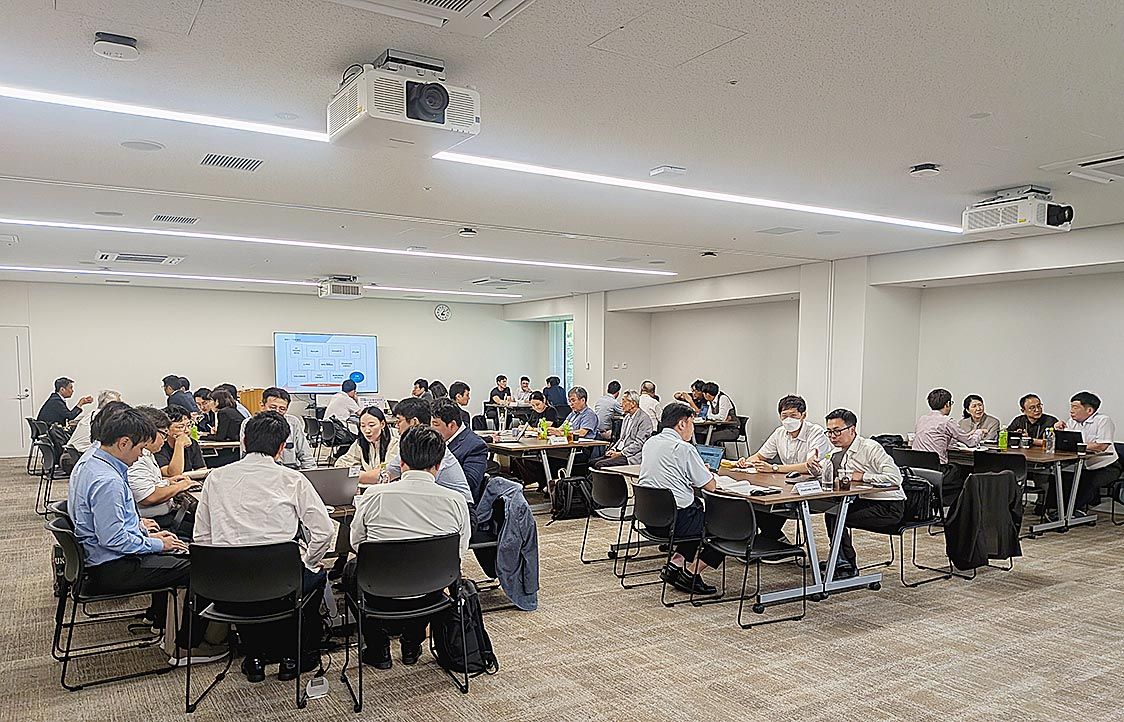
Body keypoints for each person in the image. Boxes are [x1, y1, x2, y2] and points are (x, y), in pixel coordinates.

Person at [67, 405, 226, 666]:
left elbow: (107, 521)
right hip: (112, 566)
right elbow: (114, 540)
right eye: (140, 448)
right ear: (123, 443)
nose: (142, 455)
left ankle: (163, 623)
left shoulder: (92, 461)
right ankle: (188, 647)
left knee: (179, 547)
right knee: (200, 567)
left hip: (98, 558)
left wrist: (139, 526)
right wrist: (156, 544)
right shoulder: (108, 481)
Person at [195, 411, 333, 682]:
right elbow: (324, 531)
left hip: (227, 585)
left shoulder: (215, 478)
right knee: (314, 576)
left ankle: (255, 657)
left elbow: (202, 537)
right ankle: (293, 657)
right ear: (281, 448)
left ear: (244, 442)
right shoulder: (292, 479)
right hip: (281, 582)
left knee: (254, 587)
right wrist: (308, 561)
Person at [347, 426, 470, 669]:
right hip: (431, 590)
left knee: (351, 570)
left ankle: (378, 649)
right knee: (430, 571)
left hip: (380, 590)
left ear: (401, 462)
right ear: (438, 465)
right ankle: (412, 644)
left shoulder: (374, 495)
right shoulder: (456, 501)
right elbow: (459, 552)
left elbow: (356, 543)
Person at [636, 403, 723, 595]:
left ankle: (675, 565)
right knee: (724, 526)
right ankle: (691, 574)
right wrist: (705, 472)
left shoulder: (650, 443)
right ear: (682, 424)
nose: (693, 429)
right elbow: (710, 486)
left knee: (696, 511)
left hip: (651, 518)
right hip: (676, 522)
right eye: (692, 423)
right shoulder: (683, 448)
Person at [807, 409, 904, 580]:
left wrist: (863, 476)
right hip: (863, 500)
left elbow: (895, 478)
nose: (832, 436)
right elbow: (826, 473)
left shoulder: (870, 448)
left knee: (838, 516)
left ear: (852, 429)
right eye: (829, 432)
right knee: (833, 512)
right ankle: (840, 560)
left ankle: (846, 565)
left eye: (837, 431)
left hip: (888, 505)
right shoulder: (836, 452)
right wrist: (815, 469)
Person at [384, 398, 474, 514]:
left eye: (399, 421)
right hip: (435, 502)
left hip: (457, 507)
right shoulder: (413, 443)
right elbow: (390, 471)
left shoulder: (431, 445)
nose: (396, 426)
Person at [127, 407, 197, 537]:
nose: (165, 439)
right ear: (150, 432)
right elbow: (148, 497)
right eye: (164, 434)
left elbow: (149, 483)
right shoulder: (136, 458)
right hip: (156, 520)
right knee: (202, 527)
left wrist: (167, 482)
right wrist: (180, 486)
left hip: (165, 513)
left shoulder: (147, 453)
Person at [911, 388, 985, 503]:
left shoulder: (922, 419)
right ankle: (959, 508)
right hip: (937, 471)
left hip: (917, 470)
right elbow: (970, 443)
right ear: (948, 404)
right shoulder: (947, 421)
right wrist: (979, 432)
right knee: (965, 471)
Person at [1052, 392, 1121, 514]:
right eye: (1071, 407)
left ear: (1089, 410)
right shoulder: (1072, 422)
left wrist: (1076, 446)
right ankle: (1057, 511)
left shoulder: (1103, 421)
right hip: (1083, 465)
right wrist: (1058, 431)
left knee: (1085, 483)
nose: (1071, 411)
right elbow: (1065, 444)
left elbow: (1101, 446)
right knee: (1059, 478)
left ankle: (1073, 513)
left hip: (1106, 466)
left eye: (1075, 407)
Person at [239, 387, 316, 469]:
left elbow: (306, 455)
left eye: (282, 409)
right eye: (273, 407)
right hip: (259, 469)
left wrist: (311, 473)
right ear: (262, 406)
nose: (277, 412)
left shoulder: (293, 422)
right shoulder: (249, 423)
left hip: (289, 471)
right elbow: (244, 456)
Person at [432, 399, 490, 504]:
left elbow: (468, 483)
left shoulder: (475, 446)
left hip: (458, 504)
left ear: (452, 425)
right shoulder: (439, 440)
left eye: (435, 424)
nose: (431, 429)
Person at [592, 390, 653, 469]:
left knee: (599, 464)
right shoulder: (627, 418)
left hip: (630, 456)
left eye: (624, 401)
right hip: (619, 451)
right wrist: (613, 449)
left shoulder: (644, 419)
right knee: (592, 462)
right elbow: (621, 439)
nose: (621, 404)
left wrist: (621, 453)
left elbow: (639, 444)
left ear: (633, 404)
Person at [155, 405, 207, 477]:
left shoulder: (192, 443)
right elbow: (172, 474)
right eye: (180, 427)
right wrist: (179, 444)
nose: (187, 430)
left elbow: (201, 469)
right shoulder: (159, 445)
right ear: (166, 429)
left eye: (189, 425)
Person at [201, 390, 244, 466]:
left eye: (210, 401)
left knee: (206, 461)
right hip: (238, 447)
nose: (209, 404)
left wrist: (202, 437)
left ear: (217, 401)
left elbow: (220, 437)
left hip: (234, 451)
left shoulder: (223, 413)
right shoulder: (231, 410)